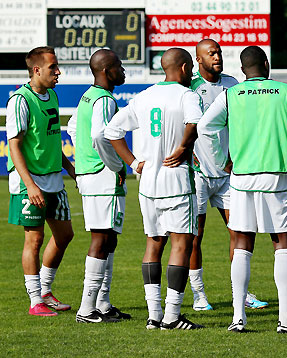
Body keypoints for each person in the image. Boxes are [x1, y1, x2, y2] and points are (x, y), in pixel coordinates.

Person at [198, 46, 287, 334]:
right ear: (266, 64)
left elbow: (204, 127)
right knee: (282, 242)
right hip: (276, 176)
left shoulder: (231, 93)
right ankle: (286, 320)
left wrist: (221, 159)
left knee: (242, 242)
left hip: (240, 178)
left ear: (242, 70)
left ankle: (238, 318)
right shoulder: (285, 91)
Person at [105, 48, 203, 330]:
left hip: (148, 185)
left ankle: (153, 316)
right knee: (182, 244)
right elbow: (195, 122)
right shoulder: (187, 95)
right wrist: (184, 147)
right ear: (184, 69)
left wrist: (134, 162)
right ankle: (172, 316)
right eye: (191, 69)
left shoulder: (144, 97)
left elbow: (112, 131)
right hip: (176, 182)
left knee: (154, 244)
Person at [188, 39, 267, 311]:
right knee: (194, 237)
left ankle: (241, 293)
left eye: (218, 52)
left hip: (228, 173)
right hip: (198, 174)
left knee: (239, 231)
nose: (216, 57)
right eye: (210, 54)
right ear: (198, 60)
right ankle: (199, 295)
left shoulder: (233, 85)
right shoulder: (191, 88)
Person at [7, 46, 76, 316]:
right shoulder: (20, 100)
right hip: (29, 182)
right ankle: (35, 300)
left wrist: (70, 168)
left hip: (53, 179)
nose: (58, 72)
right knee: (34, 240)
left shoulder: (52, 96)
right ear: (37, 70)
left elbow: (50, 141)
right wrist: (30, 184)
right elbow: (14, 146)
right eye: (53, 67)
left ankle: (45, 291)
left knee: (65, 234)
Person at [67, 49, 131, 323]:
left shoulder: (87, 96)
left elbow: (72, 127)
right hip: (102, 176)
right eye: (119, 65)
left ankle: (102, 304)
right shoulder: (103, 99)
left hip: (90, 174)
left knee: (109, 237)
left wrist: (83, 158)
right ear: (106, 70)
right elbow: (98, 135)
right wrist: (114, 165)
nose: (123, 70)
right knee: (101, 238)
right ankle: (86, 308)